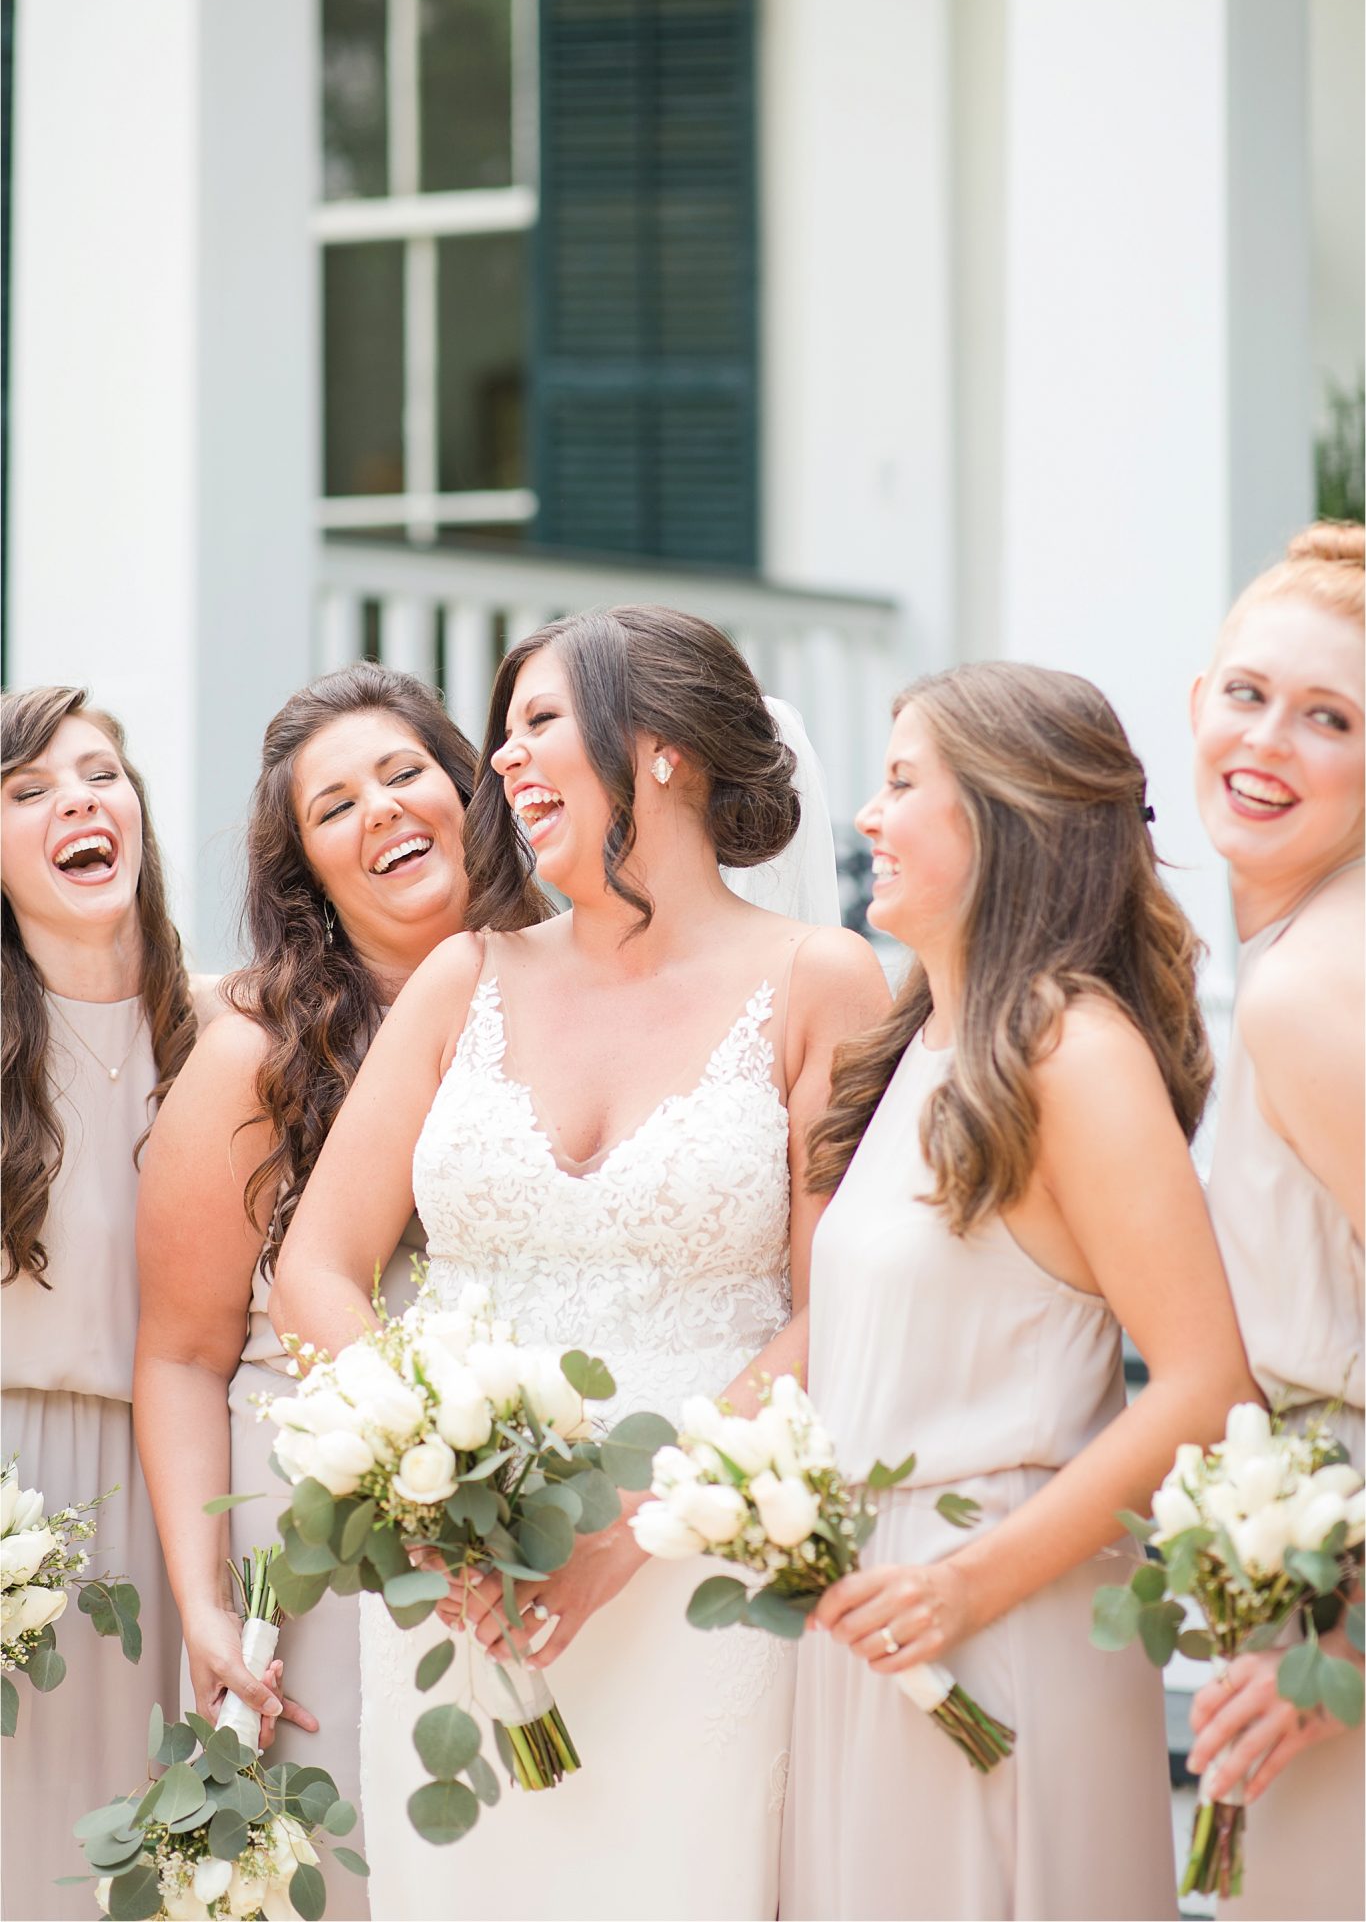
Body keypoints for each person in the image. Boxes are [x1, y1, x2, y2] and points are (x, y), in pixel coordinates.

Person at [272, 606, 890, 1920]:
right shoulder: (461, 980)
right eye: (501, 733)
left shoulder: (819, 982)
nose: (501, 760)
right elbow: (318, 1266)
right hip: (462, 1595)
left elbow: (840, 1311)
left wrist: (622, 1528)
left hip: (700, 1571)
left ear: (660, 748)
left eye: (539, 721)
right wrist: (420, 1487)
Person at [781, 661, 1257, 1921]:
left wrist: (970, 1583)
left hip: (1001, 1610)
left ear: (1001, 812)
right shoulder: (920, 1044)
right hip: (877, 1610)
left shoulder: (1072, 1051)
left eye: (898, 784)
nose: (867, 820)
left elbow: (1206, 1384)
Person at [134, 664, 542, 1918]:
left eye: (405, 771)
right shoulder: (257, 1051)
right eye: (335, 804)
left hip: (533, 1515)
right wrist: (204, 1598)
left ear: (469, 789)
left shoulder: (580, 992)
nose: (380, 808)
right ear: (305, 867)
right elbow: (183, 1350)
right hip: (316, 1536)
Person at [1185, 522, 1364, 1921]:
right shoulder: (1297, 954)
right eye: (1246, 694)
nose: (1267, 742)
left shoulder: (1312, 994)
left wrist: (1346, 1639)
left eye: (1329, 718)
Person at [2, 685, 196, 1918]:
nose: (77, 797)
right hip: (15, 1479)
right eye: (26, 791)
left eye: (100, 774)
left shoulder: (232, 1024)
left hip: (188, 1476)